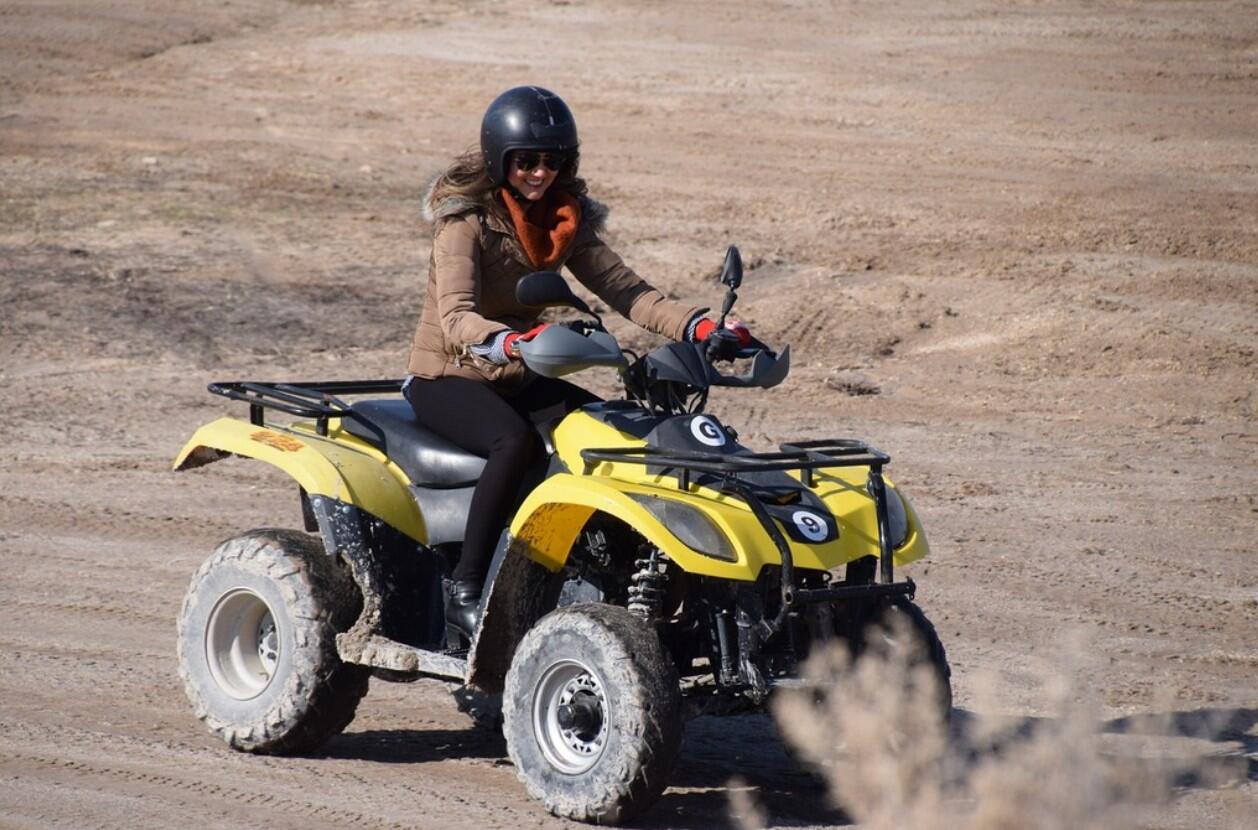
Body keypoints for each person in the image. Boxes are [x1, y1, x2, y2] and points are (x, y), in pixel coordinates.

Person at [403, 86, 751, 641]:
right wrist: (511, 341)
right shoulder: (463, 223)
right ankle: (467, 592)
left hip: (519, 371)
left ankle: (611, 573)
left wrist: (701, 326)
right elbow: (456, 318)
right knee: (512, 443)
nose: (539, 173)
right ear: (500, 160)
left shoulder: (563, 219)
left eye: (552, 161)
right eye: (526, 161)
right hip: (451, 374)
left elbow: (629, 292)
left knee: (611, 436)